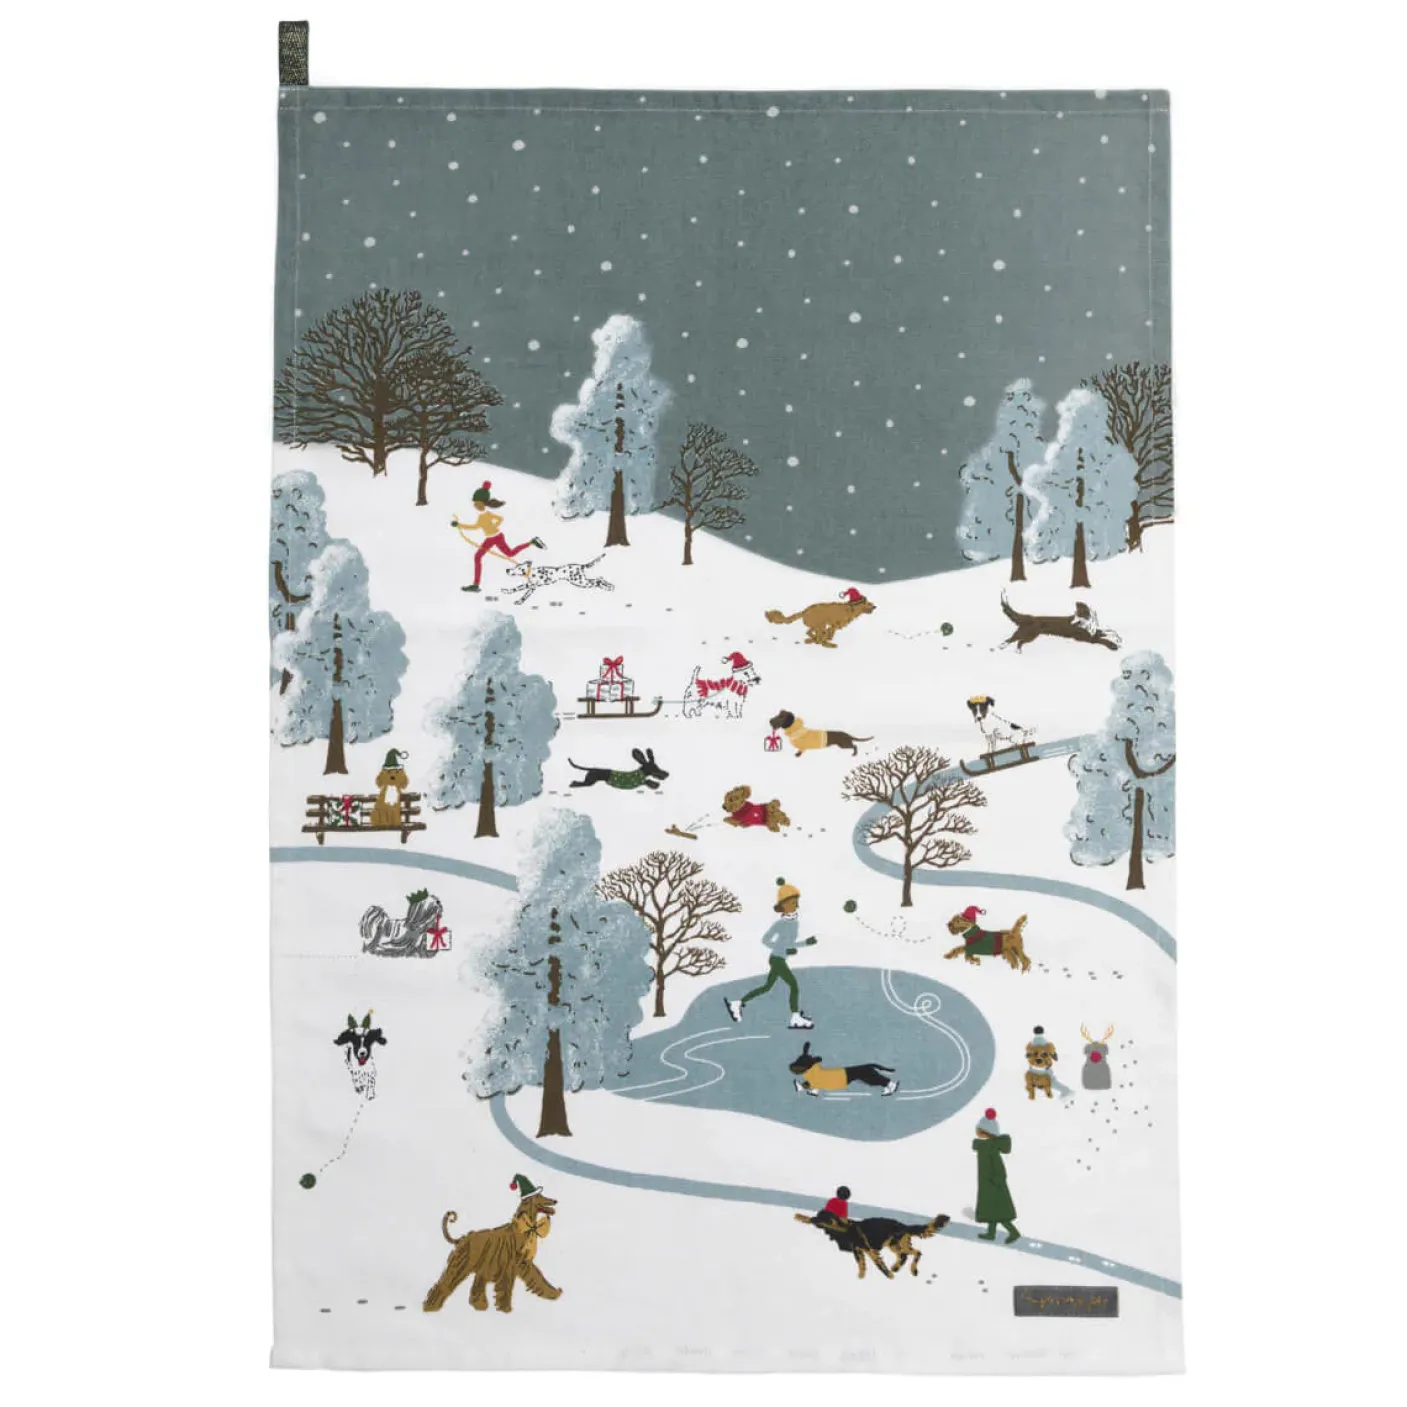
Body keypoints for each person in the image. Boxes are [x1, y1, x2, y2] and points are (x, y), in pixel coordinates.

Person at [724, 878, 817, 1030]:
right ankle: (795, 1017)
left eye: (796, 902)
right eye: (792, 902)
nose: (795, 905)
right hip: (777, 959)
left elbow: (789, 943)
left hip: (780, 958)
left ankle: (738, 1003)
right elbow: (766, 940)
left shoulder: (794, 923)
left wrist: (805, 943)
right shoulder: (781, 924)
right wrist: (784, 949)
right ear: (783, 905)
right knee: (793, 986)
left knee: (767, 987)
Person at [452, 480, 546, 593]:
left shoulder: (485, 515)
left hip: (496, 538)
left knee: (509, 553)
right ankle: (476, 585)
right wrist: (459, 525)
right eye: (474, 503)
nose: (474, 505)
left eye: (476, 503)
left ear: (482, 503)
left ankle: (531, 542)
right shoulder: (483, 516)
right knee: (478, 557)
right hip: (491, 539)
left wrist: (494, 527)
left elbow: (494, 520)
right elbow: (478, 526)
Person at [973, 1108, 1020, 1243]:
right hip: (988, 1183)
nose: (977, 1132)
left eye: (979, 1130)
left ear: (986, 1133)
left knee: (999, 1213)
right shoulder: (985, 1147)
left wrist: (997, 1180)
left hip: (994, 1184)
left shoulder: (989, 1148)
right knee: (992, 1211)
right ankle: (991, 1233)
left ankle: (1014, 1233)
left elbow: (998, 1166)